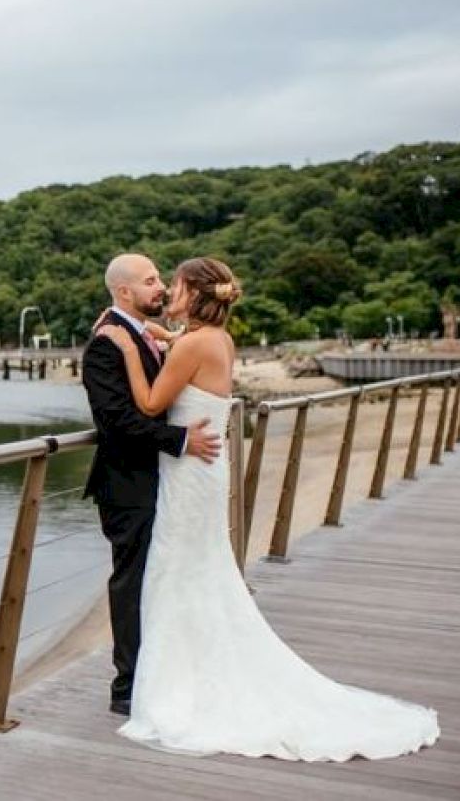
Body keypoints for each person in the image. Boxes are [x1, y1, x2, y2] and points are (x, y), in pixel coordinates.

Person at [98, 256, 439, 760]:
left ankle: (177, 681)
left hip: (189, 474)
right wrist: (150, 331)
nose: (168, 290)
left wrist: (126, 345)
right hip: (201, 472)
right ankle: (189, 670)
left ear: (195, 293)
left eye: (174, 284)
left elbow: (149, 405)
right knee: (196, 572)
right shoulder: (215, 339)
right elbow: (179, 348)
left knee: (178, 572)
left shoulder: (192, 344)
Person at [82, 253, 222, 717]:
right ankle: (127, 688)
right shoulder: (106, 343)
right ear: (124, 292)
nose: (160, 287)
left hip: (159, 480)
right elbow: (118, 422)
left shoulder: (145, 335)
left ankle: (158, 674)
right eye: (150, 281)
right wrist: (180, 439)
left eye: (162, 280)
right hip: (127, 485)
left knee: (157, 580)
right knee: (133, 583)